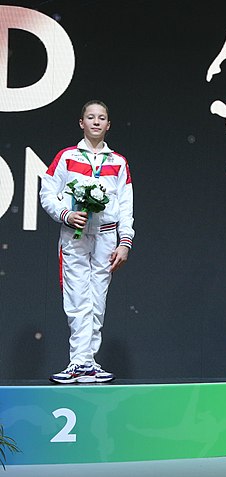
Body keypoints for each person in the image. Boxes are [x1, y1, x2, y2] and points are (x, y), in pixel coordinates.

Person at [40, 100, 134, 384]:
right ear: (81, 123)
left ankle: (88, 362)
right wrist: (65, 214)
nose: (96, 121)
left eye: (101, 117)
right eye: (90, 117)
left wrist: (125, 241)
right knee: (78, 299)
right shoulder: (67, 156)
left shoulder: (118, 162)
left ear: (108, 125)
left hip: (107, 237)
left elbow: (126, 205)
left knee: (97, 301)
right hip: (75, 236)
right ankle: (79, 362)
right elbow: (47, 192)